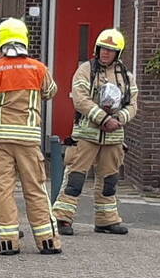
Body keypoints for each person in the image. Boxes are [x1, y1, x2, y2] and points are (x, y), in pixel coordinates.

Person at [0, 18, 62, 256]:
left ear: (1, 42)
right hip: (28, 139)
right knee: (35, 188)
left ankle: (8, 241)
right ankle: (47, 241)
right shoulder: (38, 68)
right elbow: (51, 91)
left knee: (3, 190)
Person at [52, 29, 139, 235]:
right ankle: (62, 218)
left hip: (114, 137)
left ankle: (107, 220)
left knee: (109, 180)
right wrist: (103, 118)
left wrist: (117, 120)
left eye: (111, 50)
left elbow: (133, 104)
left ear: (118, 53)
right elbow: (80, 99)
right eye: (103, 49)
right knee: (75, 178)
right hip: (87, 135)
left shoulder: (126, 76)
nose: (106, 53)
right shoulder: (85, 70)